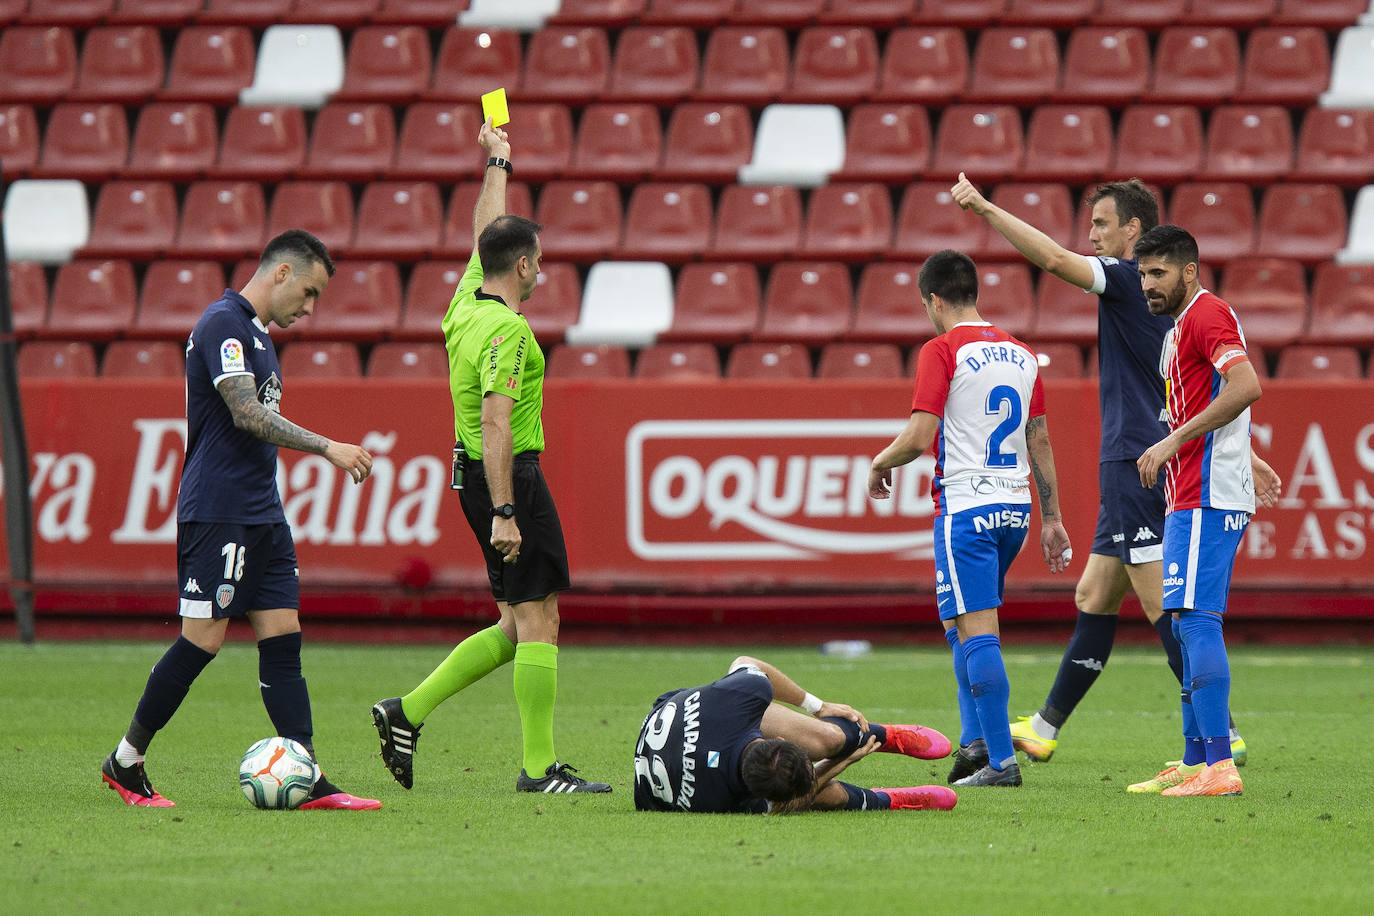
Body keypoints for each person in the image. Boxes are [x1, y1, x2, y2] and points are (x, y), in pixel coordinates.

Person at [949, 173, 1277, 766]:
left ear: (1134, 229)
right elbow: (1179, 390)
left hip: (1137, 462)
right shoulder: (1167, 303)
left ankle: (1219, 734)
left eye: (1101, 223)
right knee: (1095, 594)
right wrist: (1247, 451)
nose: (1091, 234)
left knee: (1168, 608)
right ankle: (1046, 727)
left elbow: (1051, 257)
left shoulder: (1128, 279)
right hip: (1146, 453)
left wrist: (985, 208)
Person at [101, 230, 380, 810]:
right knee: (203, 640)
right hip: (217, 509)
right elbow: (246, 413)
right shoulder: (222, 323)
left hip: (262, 512)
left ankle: (306, 776)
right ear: (281, 273)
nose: (309, 308)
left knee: (283, 637)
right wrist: (327, 447)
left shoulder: (257, 334)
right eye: (308, 292)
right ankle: (126, 762)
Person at [371, 119, 610, 795]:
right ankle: (538, 771)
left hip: (469, 474)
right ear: (526, 266)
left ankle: (405, 711)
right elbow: (498, 420)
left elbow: (486, 228)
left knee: (514, 621)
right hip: (507, 480)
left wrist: (497, 163)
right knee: (541, 618)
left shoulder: (467, 301)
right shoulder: (506, 330)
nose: (544, 271)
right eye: (541, 261)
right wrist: (508, 511)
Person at [868, 250, 1073, 788]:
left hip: (966, 510)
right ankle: (976, 744)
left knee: (978, 632)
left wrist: (878, 461)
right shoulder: (1022, 354)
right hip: (1016, 509)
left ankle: (1001, 763)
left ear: (934, 300)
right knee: (960, 625)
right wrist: (1052, 517)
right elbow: (1040, 438)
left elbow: (917, 438)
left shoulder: (941, 350)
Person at [1128, 226, 1261, 797]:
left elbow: (1245, 384)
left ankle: (1220, 767)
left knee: (1198, 620)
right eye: (1141, 275)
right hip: (1191, 490)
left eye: (1157, 273)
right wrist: (1254, 456)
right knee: (1182, 622)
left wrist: (1168, 442)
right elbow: (1212, 400)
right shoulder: (1180, 327)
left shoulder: (1207, 315)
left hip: (1205, 492)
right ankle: (1194, 760)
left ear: (1188, 271)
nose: (1146, 285)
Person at [633, 655, 957, 813]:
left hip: (686, 714)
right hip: (676, 755)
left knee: (827, 741)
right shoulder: (720, 801)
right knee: (817, 794)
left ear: (774, 738)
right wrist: (839, 766)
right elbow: (786, 804)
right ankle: (887, 800)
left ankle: (879, 735)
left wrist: (818, 706)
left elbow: (745, 661)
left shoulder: (736, 702)